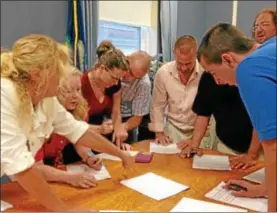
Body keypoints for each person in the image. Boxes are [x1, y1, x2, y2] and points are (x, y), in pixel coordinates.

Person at [1, 34, 133, 212]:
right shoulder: (5, 94)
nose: (63, 77)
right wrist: (63, 209)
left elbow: (79, 131)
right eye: (59, 71)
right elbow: (20, 165)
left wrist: (120, 154)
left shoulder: (46, 99)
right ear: (37, 76)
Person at [197, 23, 276, 211]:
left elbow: (273, 147)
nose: (217, 81)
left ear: (227, 59)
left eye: (214, 73)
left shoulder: (248, 69)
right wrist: (265, 188)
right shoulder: (270, 47)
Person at [34, 67, 103, 189]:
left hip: (57, 173)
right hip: (35, 177)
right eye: (68, 91)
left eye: (78, 89)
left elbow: (78, 141)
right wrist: (70, 178)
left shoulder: (78, 111)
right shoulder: (41, 116)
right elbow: (37, 168)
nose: (76, 96)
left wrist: (88, 157)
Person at [178, 70, 262, 170]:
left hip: (262, 151)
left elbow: (261, 119)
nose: (216, 80)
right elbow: (203, 113)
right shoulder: (208, 77)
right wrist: (195, 144)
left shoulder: (254, 78)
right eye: (211, 73)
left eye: (216, 72)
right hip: (226, 148)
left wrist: (252, 155)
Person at [149, 35, 213, 147]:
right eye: (180, 63)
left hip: (200, 130)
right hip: (173, 128)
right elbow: (157, 105)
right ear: (174, 53)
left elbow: (210, 109)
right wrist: (159, 133)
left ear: (195, 55)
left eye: (188, 63)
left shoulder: (206, 73)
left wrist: (200, 136)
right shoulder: (163, 73)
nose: (183, 68)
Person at [81, 42, 131, 150]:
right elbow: (73, 124)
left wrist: (118, 132)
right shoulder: (81, 84)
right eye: (114, 78)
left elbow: (116, 111)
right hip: (80, 139)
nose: (116, 82)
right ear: (102, 68)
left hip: (101, 137)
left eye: (119, 79)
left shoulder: (114, 84)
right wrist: (99, 129)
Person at [120, 50, 152, 143]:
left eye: (136, 77)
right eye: (130, 71)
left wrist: (121, 128)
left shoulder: (144, 83)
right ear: (127, 59)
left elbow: (137, 118)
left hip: (131, 116)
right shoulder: (116, 65)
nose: (130, 78)